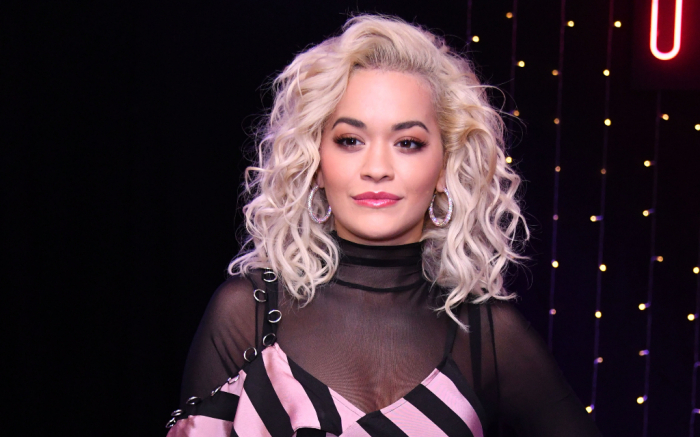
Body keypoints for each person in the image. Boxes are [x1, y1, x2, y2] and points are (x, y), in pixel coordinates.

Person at [165, 15, 602, 437]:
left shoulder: (487, 334)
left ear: (444, 166)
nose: (377, 168)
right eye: (350, 141)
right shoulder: (247, 314)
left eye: (407, 142)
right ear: (316, 163)